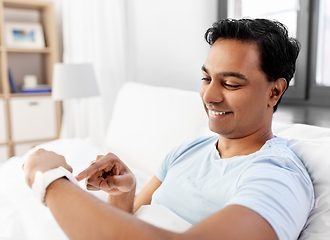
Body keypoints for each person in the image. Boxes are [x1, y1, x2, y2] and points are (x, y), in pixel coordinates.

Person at [23, 18, 314, 240]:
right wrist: (124, 196)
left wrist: (48, 180)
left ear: (274, 92)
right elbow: (128, 227)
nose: (209, 96)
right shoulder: (188, 150)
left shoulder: (278, 175)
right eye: (206, 78)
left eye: (230, 83)